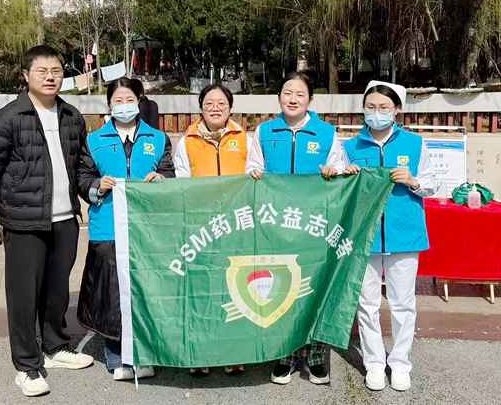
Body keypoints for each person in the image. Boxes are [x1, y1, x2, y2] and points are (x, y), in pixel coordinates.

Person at [0, 45, 93, 397]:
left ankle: (54, 347)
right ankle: (27, 366)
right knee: (24, 295)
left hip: (65, 219)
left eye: (56, 71)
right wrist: (11, 201)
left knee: (57, 290)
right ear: (26, 76)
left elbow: (81, 164)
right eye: (42, 71)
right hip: (25, 222)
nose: (50, 77)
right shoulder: (8, 118)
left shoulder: (71, 116)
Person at [245, 72, 344, 385]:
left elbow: (340, 169)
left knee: (312, 287)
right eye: (287, 93)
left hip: (313, 224)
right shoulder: (264, 131)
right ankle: (284, 354)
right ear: (279, 98)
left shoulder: (326, 133)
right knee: (281, 286)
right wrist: (254, 173)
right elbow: (252, 166)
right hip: (276, 223)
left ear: (310, 100)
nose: (293, 99)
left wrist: (334, 171)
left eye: (300, 94)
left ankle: (314, 356)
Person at [76, 77, 175, 381]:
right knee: (113, 295)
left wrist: (161, 179)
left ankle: (144, 355)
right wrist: (97, 185)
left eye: (129, 99)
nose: (123, 105)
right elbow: (82, 178)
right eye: (117, 100)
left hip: (147, 230)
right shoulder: (94, 140)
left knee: (145, 291)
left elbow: (170, 174)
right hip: (108, 228)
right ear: (109, 104)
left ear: (139, 100)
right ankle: (117, 356)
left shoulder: (158, 138)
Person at [342, 81, 437, 392]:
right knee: (366, 303)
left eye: (384, 107)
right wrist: (347, 179)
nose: (377, 113)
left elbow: (432, 184)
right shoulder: (350, 148)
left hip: (404, 234)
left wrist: (413, 180)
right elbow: (340, 190)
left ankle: (399, 363)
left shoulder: (415, 144)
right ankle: (373, 363)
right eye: (371, 107)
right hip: (364, 235)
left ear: (397, 110)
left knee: (403, 303)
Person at [173, 83, 251, 375]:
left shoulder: (245, 139)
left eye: (221, 103)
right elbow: (181, 182)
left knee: (235, 287)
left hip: (236, 225)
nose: (215, 108)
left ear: (230, 108)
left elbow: (256, 175)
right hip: (201, 226)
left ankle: (234, 352)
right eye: (209, 103)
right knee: (202, 289)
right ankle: (200, 354)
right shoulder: (187, 141)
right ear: (201, 108)